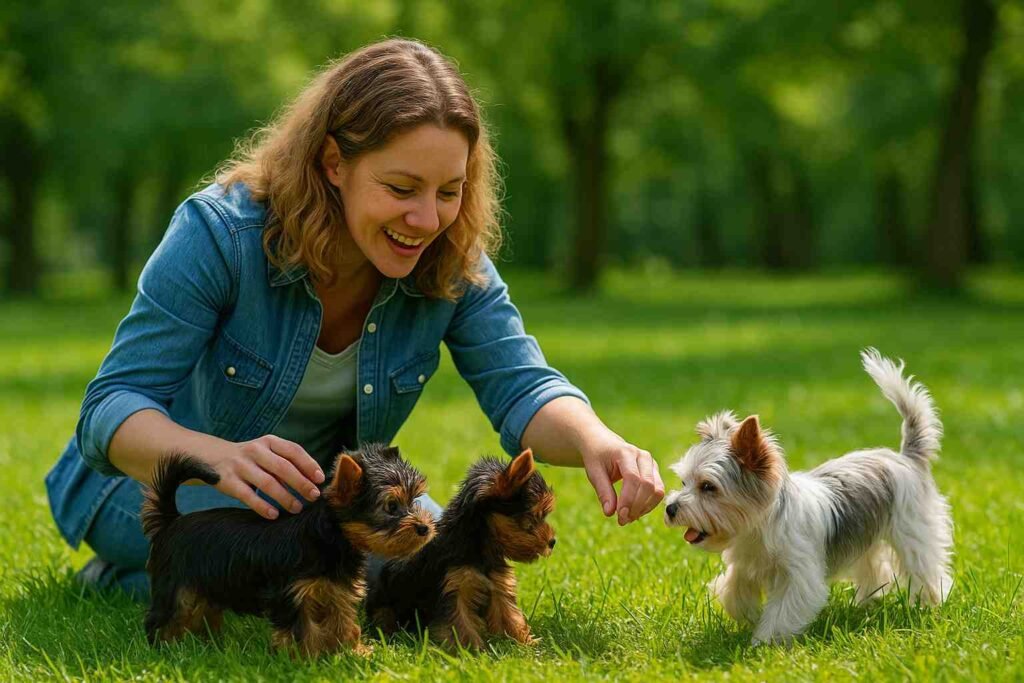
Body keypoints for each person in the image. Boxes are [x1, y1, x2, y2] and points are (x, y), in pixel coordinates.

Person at [45, 38, 664, 597]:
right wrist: (217, 457)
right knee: (303, 576)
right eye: (401, 189)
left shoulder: (449, 258)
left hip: (326, 505)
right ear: (334, 163)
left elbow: (521, 384)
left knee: (420, 569)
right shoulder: (220, 234)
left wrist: (596, 441)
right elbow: (110, 409)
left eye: (449, 191)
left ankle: (170, 585)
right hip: (156, 491)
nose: (427, 219)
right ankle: (151, 578)